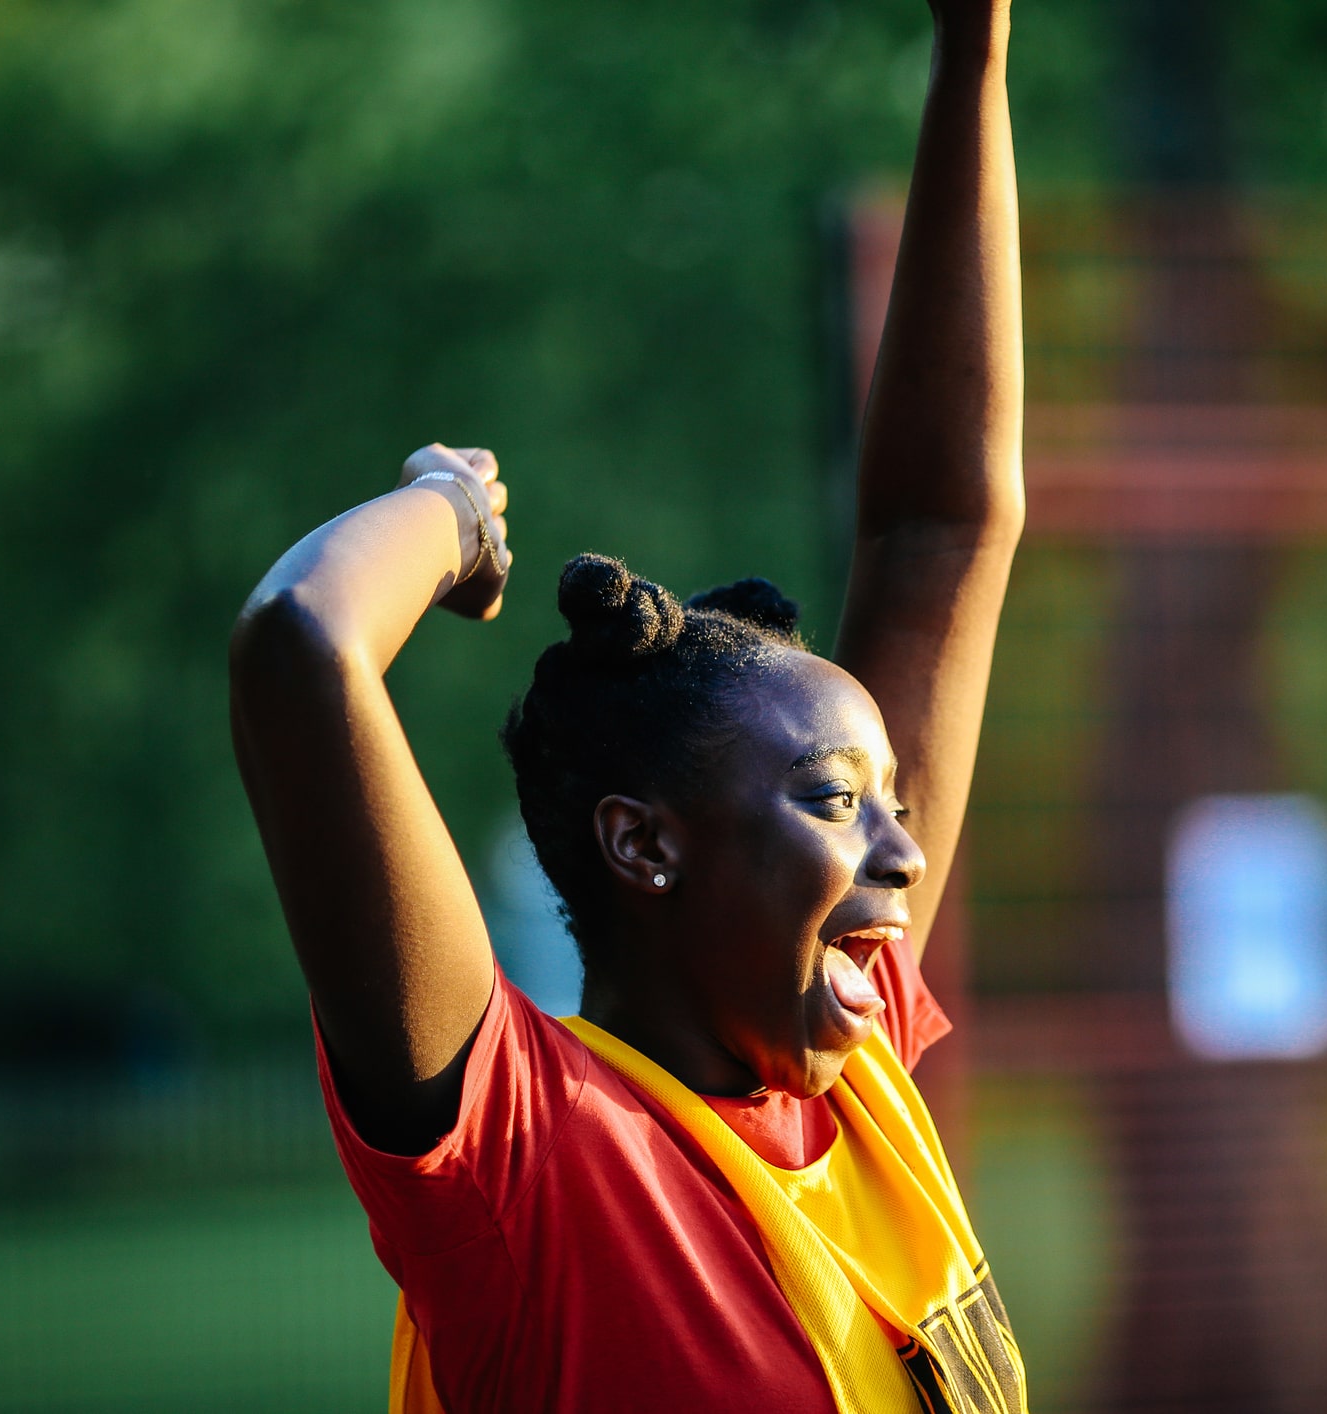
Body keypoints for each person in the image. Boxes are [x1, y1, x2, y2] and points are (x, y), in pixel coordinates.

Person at [226, 0, 1026, 1408]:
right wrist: (446, 510)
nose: (904, 851)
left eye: (891, 798)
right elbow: (303, 645)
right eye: (839, 801)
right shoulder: (523, 1163)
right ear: (645, 845)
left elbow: (938, 534)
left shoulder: (851, 1063)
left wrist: (974, 53)